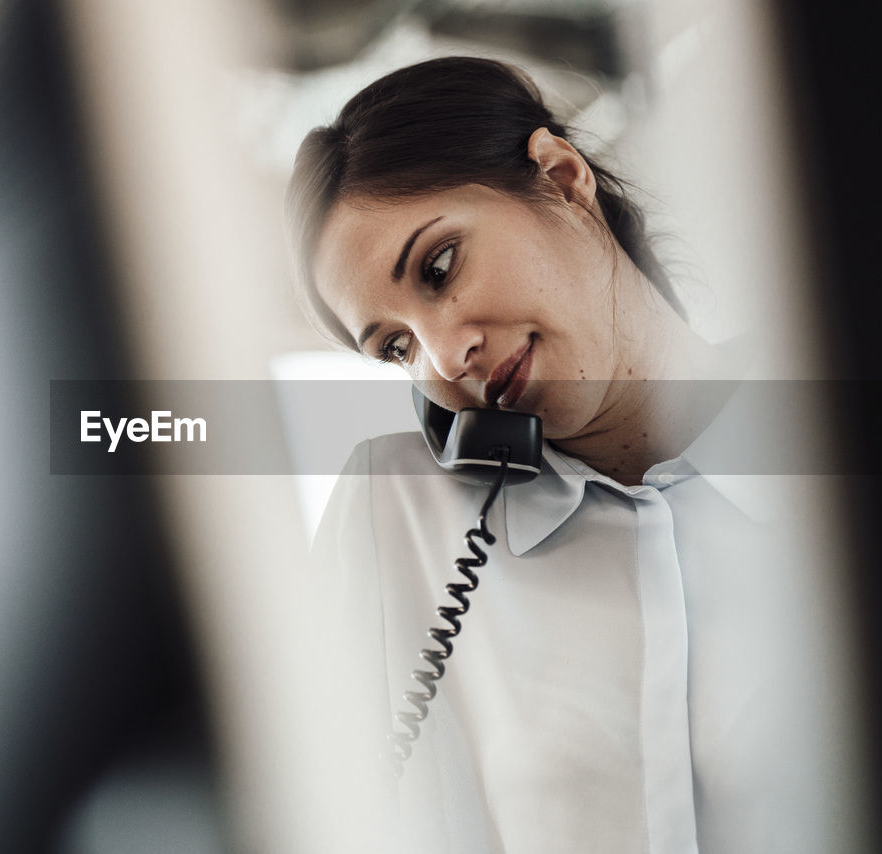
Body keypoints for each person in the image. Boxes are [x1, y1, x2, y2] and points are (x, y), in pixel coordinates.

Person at [288, 57, 851, 853]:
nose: (446, 360)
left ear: (560, 177)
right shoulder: (396, 510)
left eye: (440, 267)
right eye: (395, 347)